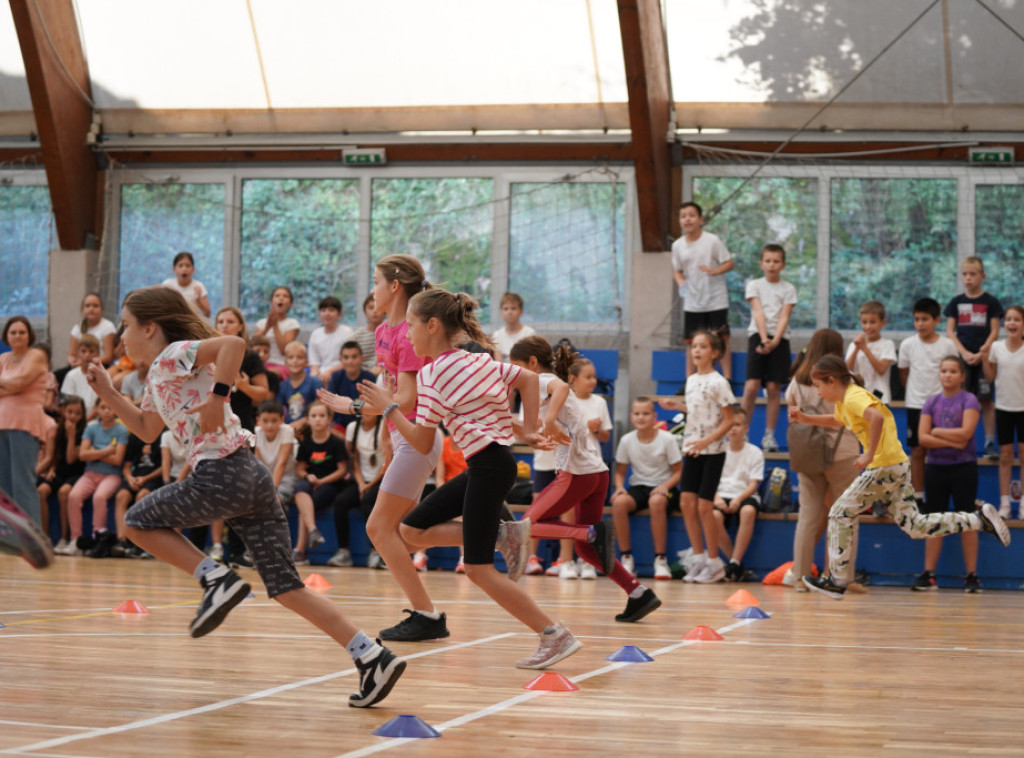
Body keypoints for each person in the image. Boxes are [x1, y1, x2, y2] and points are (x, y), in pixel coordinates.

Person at [83, 285, 405, 707]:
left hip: (221, 473)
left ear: (149, 328)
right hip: (251, 476)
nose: (121, 335)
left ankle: (214, 578)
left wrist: (217, 398)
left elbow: (233, 345)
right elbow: (146, 429)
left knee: (136, 522)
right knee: (287, 587)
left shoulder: (172, 354)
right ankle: (371, 655)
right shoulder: (159, 375)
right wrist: (107, 393)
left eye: (125, 326)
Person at [358, 288, 584, 669]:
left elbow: (421, 441)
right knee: (410, 530)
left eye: (411, 326)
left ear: (433, 326)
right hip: (492, 465)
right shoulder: (477, 360)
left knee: (479, 570)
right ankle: (504, 536)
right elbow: (529, 381)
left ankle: (553, 634)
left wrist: (389, 407)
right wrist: (529, 429)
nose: (407, 334)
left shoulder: (431, 374)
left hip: (488, 469)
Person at [792, 355, 1010, 599]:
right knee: (915, 526)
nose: (818, 392)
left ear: (832, 381)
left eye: (819, 386)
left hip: (884, 467)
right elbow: (838, 420)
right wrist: (805, 418)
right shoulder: (846, 401)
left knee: (839, 512)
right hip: (897, 466)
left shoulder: (853, 396)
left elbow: (876, 418)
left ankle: (837, 580)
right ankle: (978, 519)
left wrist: (869, 454)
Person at [317, 254, 446, 642]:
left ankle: (427, 614)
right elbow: (388, 392)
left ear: (394, 286)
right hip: (401, 436)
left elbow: (405, 399)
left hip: (418, 435)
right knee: (410, 533)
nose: (371, 289)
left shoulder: (409, 333)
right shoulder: (381, 333)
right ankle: (498, 532)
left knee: (379, 527)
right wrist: (384, 432)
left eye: (375, 281)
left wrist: (353, 407)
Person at [785, 329, 862, 592]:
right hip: (844, 453)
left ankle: (800, 578)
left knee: (807, 517)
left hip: (808, 453)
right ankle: (839, 579)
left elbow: (791, 413)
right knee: (845, 517)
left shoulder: (797, 380)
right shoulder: (846, 380)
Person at [661, 330, 736, 583]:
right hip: (691, 449)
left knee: (705, 507)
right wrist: (678, 406)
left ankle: (715, 563)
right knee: (686, 504)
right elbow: (697, 411)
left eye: (703, 346)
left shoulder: (719, 382)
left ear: (714, 353)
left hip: (713, 452)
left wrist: (707, 440)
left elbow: (729, 419)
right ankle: (699, 558)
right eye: (694, 346)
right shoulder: (691, 380)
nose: (697, 350)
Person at [915, 356, 984, 592]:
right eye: (944, 370)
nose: (947, 375)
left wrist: (937, 431)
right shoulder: (931, 402)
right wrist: (952, 441)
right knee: (935, 520)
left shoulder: (969, 400)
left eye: (953, 371)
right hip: (936, 468)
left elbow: (966, 433)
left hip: (964, 467)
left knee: (967, 520)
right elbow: (923, 438)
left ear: (962, 376)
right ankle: (929, 574)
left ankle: (971, 575)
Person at [611, 396, 683, 580]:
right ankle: (626, 559)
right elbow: (620, 472)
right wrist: (619, 487)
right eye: (636, 414)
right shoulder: (626, 440)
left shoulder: (667, 439)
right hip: (639, 487)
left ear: (654, 416)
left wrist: (665, 486)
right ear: (631, 416)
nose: (641, 417)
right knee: (619, 503)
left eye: (645, 413)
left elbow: (679, 472)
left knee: (656, 501)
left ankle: (660, 560)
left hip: (664, 487)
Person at [898, 298, 957, 506]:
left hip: (942, 406)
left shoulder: (947, 345)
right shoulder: (907, 344)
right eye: (917, 319)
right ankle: (918, 496)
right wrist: (915, 394)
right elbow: (904, 374)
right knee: (917, 450)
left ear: (937, 320)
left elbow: (954, 373)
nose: (920, 324)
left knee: (940, 450)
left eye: (925, 319)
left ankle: (938, 496)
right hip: (916, 404)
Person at [739, 243, 797, 453]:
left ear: (783, 265)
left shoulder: (788, 289)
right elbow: (758, 312)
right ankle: (742, 431)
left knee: (773, 388)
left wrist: (775, 341)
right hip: (758, 335)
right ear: (761, 263)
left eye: (776, 261)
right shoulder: (754, 285)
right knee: (751, 386)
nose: (772, 265)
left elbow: (784, 316)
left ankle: (769, 436)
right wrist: (764, 339)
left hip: (780, 338)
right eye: (768, 261)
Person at [944, 256, 1003, 459]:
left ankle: (989, 442)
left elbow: (995, 331)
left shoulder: (991, 302)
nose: (968, 278)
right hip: (963, 360)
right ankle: (960, 440)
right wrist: (964, 353)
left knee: (986, 401)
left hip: (984, 359)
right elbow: (950, 331)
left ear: (982, 276)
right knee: (961, 400)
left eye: (973, 274)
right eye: (965, 274)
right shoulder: (956, 302)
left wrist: (982, 353)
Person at [671, 202, 734, 379]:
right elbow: (677, 270)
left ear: (701, 220)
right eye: (683, 216)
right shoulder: (677, 245)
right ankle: (690, 380)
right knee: (692, 341)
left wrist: (715, 271)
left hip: (715, 299)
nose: (687, 219)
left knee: (721, 339)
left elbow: (729, 262)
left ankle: (727, 378)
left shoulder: (712, 240)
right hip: (692, 301)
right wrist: (680, 281)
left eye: (691, 215)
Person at [0, 316, 53, 525]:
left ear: (29, 335)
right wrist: (11, 387)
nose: (17, 336)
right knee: (4, 486)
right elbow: (14, 386)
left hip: (25, 424)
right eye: (13, 332)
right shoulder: (3, 358)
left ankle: (31, 537)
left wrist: (10, 387)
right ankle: (10, 536)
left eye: (22, 332)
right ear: (6, 336)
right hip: (2, 424)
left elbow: (20, 383)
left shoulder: (37, 355)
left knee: (22, 484)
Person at [291, 401, 348, 565]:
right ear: (308, 419)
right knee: (300, 487)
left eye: (322, 416)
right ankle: (313, 531)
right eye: (314, 416)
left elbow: (342, 470)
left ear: (329, 419)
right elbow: (300, 469)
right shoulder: (306, 443)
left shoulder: (336, 442)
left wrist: (322, 481)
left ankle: (300, 551)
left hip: (330, 483)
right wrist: (308, 476)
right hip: (311, 480)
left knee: (306, 505)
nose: (318, 419)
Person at [66, 397, 128, 549]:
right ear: (97, 409)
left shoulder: (121, 430)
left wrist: (93, 452)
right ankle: (75, 539)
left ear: (115, 410)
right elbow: (82, 455)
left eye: (110, 407)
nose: (106, 411)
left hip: (112, 476)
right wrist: (107, 451)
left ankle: (98, 535)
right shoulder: (91, 428)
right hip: (90, 474)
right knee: (73, 496)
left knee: (99, 497)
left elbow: (117, 460)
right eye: (102, 407)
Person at [982, 305, 1024, 518]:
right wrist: (984, 358)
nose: (1012, 323)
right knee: (1005, 456)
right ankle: (1005, 503)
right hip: (1004, 408)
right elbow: (990, 377)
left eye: (1016, 319)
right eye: (1008, 319)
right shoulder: (997, 348)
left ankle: (1023, 503)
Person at [712, 409, 764, 582]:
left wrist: (738, 499)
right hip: (721, 494)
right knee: (713, 516)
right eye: (729, 425)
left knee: (748, 511)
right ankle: (735, 564)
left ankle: (735, 561)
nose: (733, 429)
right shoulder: (717, 451)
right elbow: (709, 481)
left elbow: (753, 484)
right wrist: (716, 498)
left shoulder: (755, 452)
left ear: (746, 428)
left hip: (744, 494)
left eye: (737, 425)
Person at [329, 412, 385, 568]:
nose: (367, 411)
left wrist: (370, 485)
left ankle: (376, 552)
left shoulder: (385, 426)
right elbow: (354, 462)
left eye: (370, 407)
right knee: (341, 501)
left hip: (383, 479)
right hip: (361, 480)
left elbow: (390, 462)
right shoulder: (352, 428)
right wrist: (361, 484)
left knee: (368, 501)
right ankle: (344, 552)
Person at [41, 395, 86, 553]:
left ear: (83, 415)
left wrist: (72, 436)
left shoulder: (84, 432)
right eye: (70, 412)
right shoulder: (59, 429)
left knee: (63, 492)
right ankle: (45, 537)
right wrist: (52, 469)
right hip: (60, 472)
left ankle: (64, 538)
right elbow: (56, 454)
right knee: (41, 491)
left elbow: (71, 459)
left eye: (78, 413)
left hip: (77, 473)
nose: (73, 416)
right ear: (63, 412)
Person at [215, 307, 270, 432]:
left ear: (240, 326)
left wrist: (244, 386)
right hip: (213, 422)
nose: (224, 326)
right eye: (220, 322)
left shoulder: (250, 356)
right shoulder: (207, 354)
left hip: (241, 423)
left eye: (230, 322)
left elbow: (263, 394)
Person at [111, 430, 163, 558]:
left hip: (154, 478)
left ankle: (140, 544)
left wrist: (145, 479)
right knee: (121, 496)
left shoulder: (163, 435)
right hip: (135, 477)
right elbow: (127, 465)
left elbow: (165, 466)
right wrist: (130, 478)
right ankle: (122, 541)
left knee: (142, 496)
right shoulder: (135, 436)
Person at [845, 301, 897, 404]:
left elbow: (881, 369)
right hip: (858, 397)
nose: (868, 327)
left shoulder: (887, 344)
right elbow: (846, 369)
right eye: (864, 322)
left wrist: (865, 348)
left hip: (880, 398)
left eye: (872, 322)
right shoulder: (854, 345)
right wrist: (856, 349)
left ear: (882, 323)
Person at [253, 400, 298, 510]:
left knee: (274, 502)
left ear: (282, 420)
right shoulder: (255, 432)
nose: (269, 425)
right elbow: (257, 465)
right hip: (265, 480)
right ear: (258, 420)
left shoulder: (287, 430)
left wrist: (273, 490)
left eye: (274, 421)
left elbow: (282, 463)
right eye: (265, 421)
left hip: (285, 480)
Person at [326, 341, 375, 432]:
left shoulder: (369, 378)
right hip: (339, 426)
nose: (350, 361)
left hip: (362, 426)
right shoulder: (336, 376)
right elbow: (330, 404)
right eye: (346, 357)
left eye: (354, 357)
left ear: (362, 358)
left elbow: (370, 408)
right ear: (340, 360)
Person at [276, 342, 322, 437]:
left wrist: (304, 421)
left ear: (306, 362)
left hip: (310, 427)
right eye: (291, 357)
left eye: (299, 357)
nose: (295, 361)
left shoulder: (315, 382)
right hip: (289, 428)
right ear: (286, 362)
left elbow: (322, 408)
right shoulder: (282, 385)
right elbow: (278, 411)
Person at [254, 286, 300, 378]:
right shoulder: (261, 323)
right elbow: (253, 345)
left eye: (285, 296)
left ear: (290, 304)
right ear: (271, 302)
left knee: (268, 374)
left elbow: (284, 351)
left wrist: (275, 325)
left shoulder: (292, 324)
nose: (281, 298)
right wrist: (267, 327)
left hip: (282, 364)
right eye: (277, 296)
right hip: (261, 363)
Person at [308, 296, 354, 383]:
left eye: (331, 310)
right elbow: (314, 365)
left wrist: (330, 372)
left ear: (339, 315)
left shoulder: (347, 332)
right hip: (321, 374)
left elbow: (350, 361)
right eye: (323, 310)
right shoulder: (315, 334)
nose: (327, 313)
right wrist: (313, 379)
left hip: (342, 372)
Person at [66, 293, 117, 369]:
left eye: (95, 306)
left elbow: (109, 357)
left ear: (102, 309)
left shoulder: (108, 327)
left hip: (101, 366)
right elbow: (71, 355)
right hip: (80, 366)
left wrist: (87, 362)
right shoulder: (77, 328)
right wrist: (73, 362)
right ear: (82, 309)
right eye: (87, 306)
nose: (91, 309)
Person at [60, 334, 101, 417]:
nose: (87, 355)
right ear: (78, 352)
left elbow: (102, 403)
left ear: (98, 353)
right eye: (83, 351)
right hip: (75, 419)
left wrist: (87, 420)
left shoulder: (102, 376)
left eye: (91, 351)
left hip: (97, 420)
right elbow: (66, 403)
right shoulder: (71, 376)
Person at [162, 251, 211, 318]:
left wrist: (198, 299)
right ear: (174, 269)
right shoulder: (167, 285)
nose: (184, 269)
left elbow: (208, 314)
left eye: (188, 266)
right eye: (180, 266)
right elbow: (161, 309)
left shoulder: (198, 286)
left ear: (193, 269)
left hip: (192, 321)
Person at [491, 292, 536, 362]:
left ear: (521, 312)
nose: (509, 312)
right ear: (501, 312)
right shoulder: (497, 336)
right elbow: (498, 363)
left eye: (513, 308)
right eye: (506, 309)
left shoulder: (529, 334)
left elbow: (530, 361)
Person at [352, 293, 383, 374]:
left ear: (385, 311)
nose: (375, 311)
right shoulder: (356, 337)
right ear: (365, 313)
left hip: (383, 373)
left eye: (377, 307)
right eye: (371, 308)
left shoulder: (390, 334)